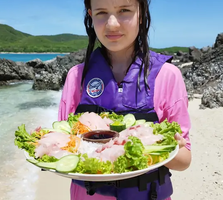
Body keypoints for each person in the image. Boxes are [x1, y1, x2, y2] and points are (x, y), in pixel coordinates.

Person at [58, 0, 192, 199]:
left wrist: (160, 145)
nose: (112, 24)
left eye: (124, 10)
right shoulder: (77, 77)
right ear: (90, 15)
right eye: (101, 12)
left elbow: (184, 161)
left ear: (141, 13)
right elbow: (62, 148)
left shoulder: (168, 76)